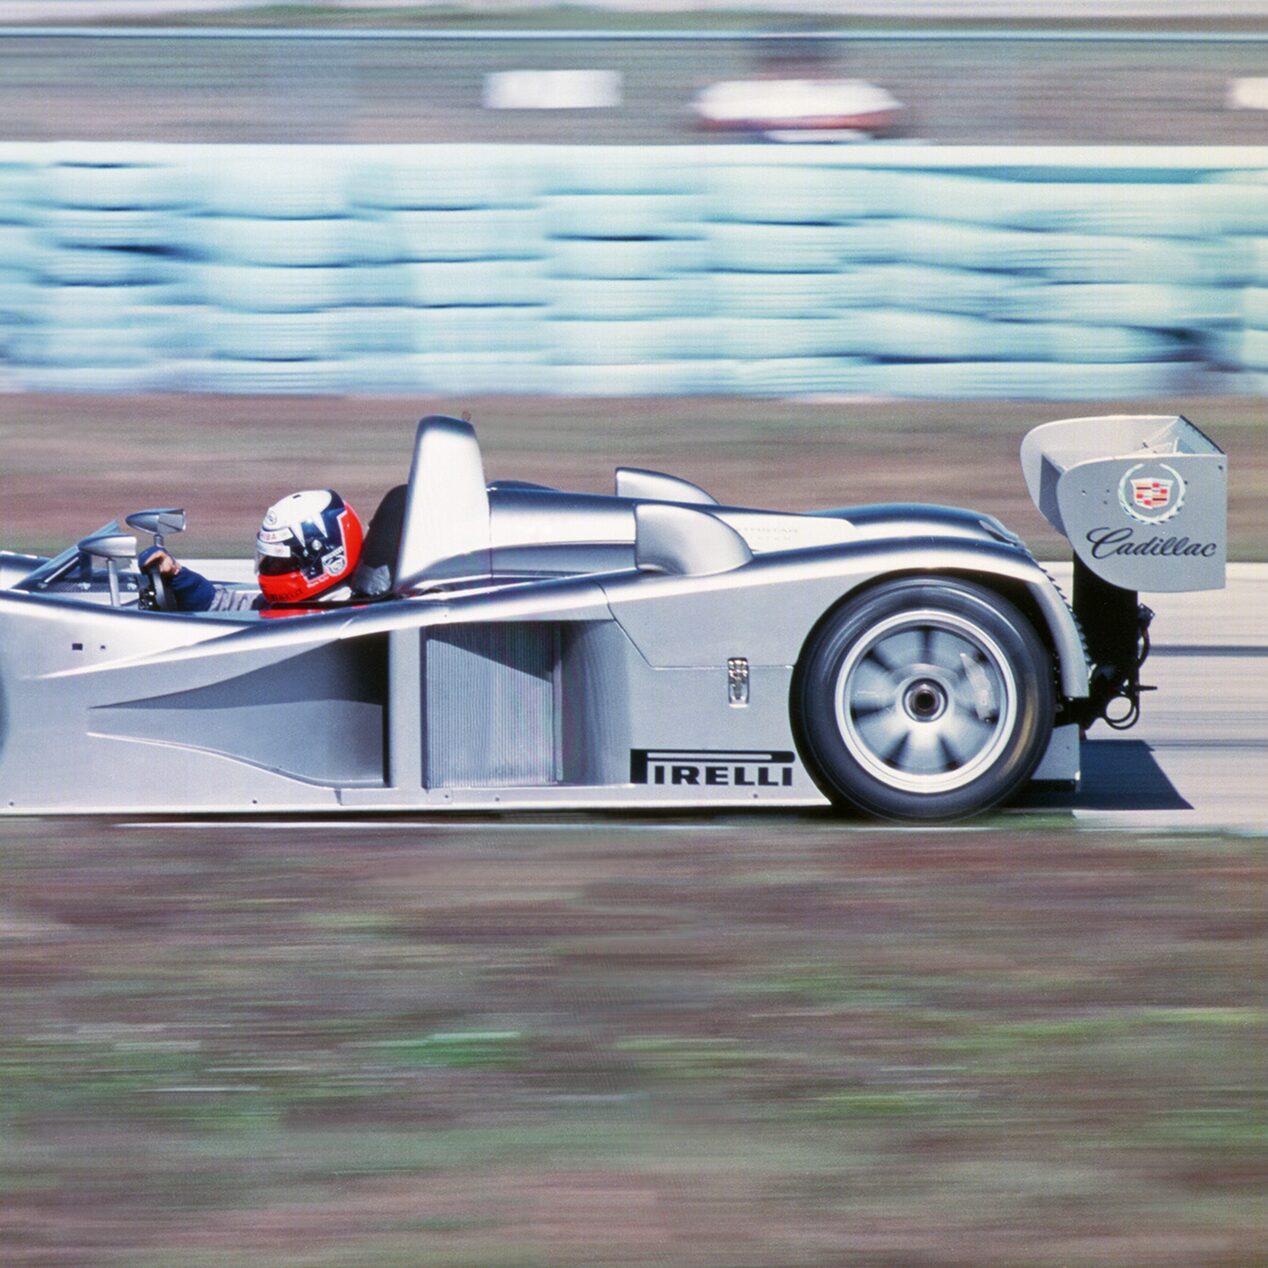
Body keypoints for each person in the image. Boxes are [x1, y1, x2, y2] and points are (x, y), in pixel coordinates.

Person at [139, 489, 365, 613]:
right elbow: (220, 605)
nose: (271, 568)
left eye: (280, 561)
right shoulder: (276, 606)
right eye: (268, 559)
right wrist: (177, 575)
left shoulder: (359, 618)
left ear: (326, 559)